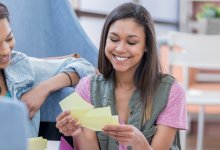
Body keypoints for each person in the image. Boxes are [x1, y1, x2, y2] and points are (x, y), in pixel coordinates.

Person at [56, 2, 187, 150]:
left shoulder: (171, 92)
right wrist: (76, 132)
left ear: (147, 46)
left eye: (131, 42)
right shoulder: (87, 88)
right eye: (114, 39)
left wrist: (139, 142)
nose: (120, 48)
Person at [0, 2, 95, 138]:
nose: (5, 50)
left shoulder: (19, 67)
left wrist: (43, 89)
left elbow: (84, 66)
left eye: (9, 38)